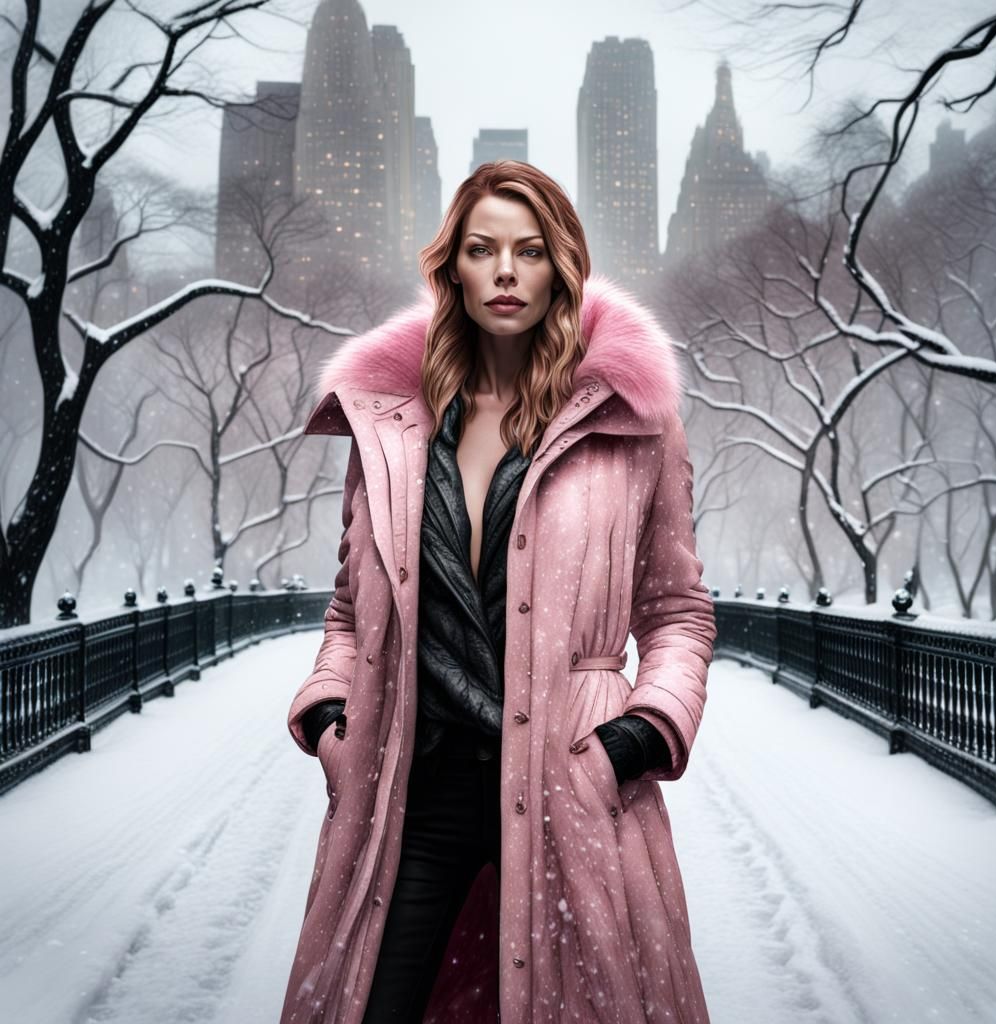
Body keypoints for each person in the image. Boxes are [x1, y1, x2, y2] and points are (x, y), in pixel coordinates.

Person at [279, 161, 717, 1024]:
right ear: (453, 268)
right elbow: (348, 609)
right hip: (413, 787)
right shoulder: (389, 423)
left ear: (561, 265)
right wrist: (332, 715)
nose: (507, 271)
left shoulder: (630, 420)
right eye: (483, 249)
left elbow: (677, 611)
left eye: (529, 250)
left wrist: (636, 736)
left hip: (572, 787)